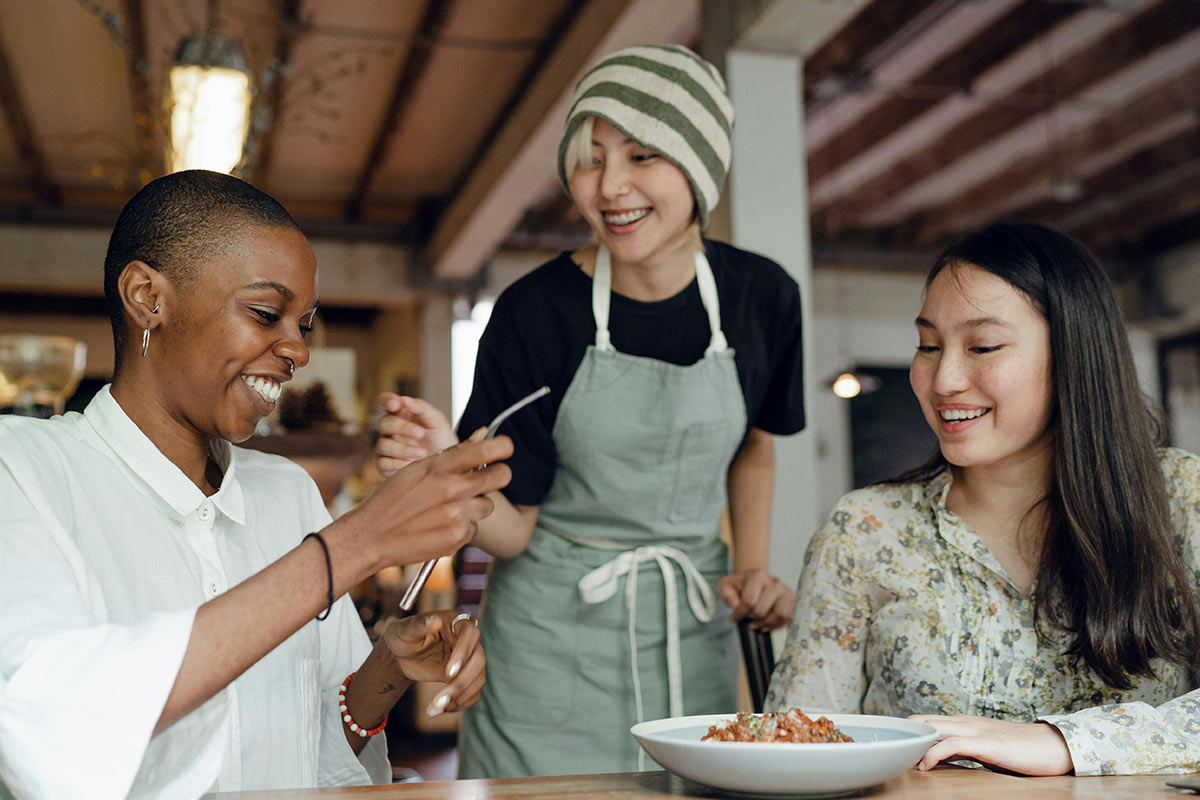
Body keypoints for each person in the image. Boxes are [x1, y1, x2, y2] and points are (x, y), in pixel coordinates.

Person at [0, 170, 513, 800]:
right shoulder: (22, 471)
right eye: (267, 313)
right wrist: (352, 546)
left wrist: (388, 668)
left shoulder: (288, 493)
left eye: (303, 322)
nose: (296, 349)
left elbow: (314, 750)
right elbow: (52, 730)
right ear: (146, 296)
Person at [375, 44, 806, 778]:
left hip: (687, 628)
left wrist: (753, 568)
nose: (609, 186)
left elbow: (754, 444)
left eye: (641, 156)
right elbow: (508, 532)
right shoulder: (536, 314)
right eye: (590, 157)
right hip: (548, 648)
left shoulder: (761, 298)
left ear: (699, 166)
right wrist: (448, 472)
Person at [766, 221, 1200, 776]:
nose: (943, 378)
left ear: (1075, 356)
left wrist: (1064, 744)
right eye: (927, 345)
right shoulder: (867, 529)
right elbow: (794, 749)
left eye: (984, 346)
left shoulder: (1178, 499)